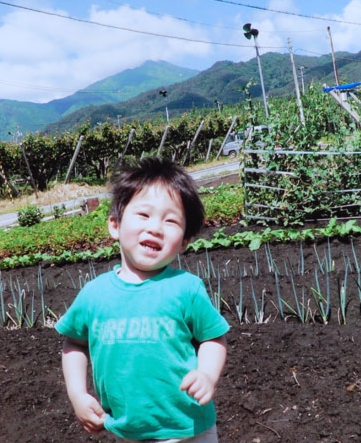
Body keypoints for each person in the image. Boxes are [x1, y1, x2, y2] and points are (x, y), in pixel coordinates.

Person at [55, 156, 230, 442]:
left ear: (184, 241)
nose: (156, 228)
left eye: (171, 220)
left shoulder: (186, 288)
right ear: (115, 225)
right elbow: (74, 343)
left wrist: (207, 375)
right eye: (144, 215)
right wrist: (77, 394)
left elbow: (213, 338)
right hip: (127, 430)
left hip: (188, 427)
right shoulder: (95, 294)